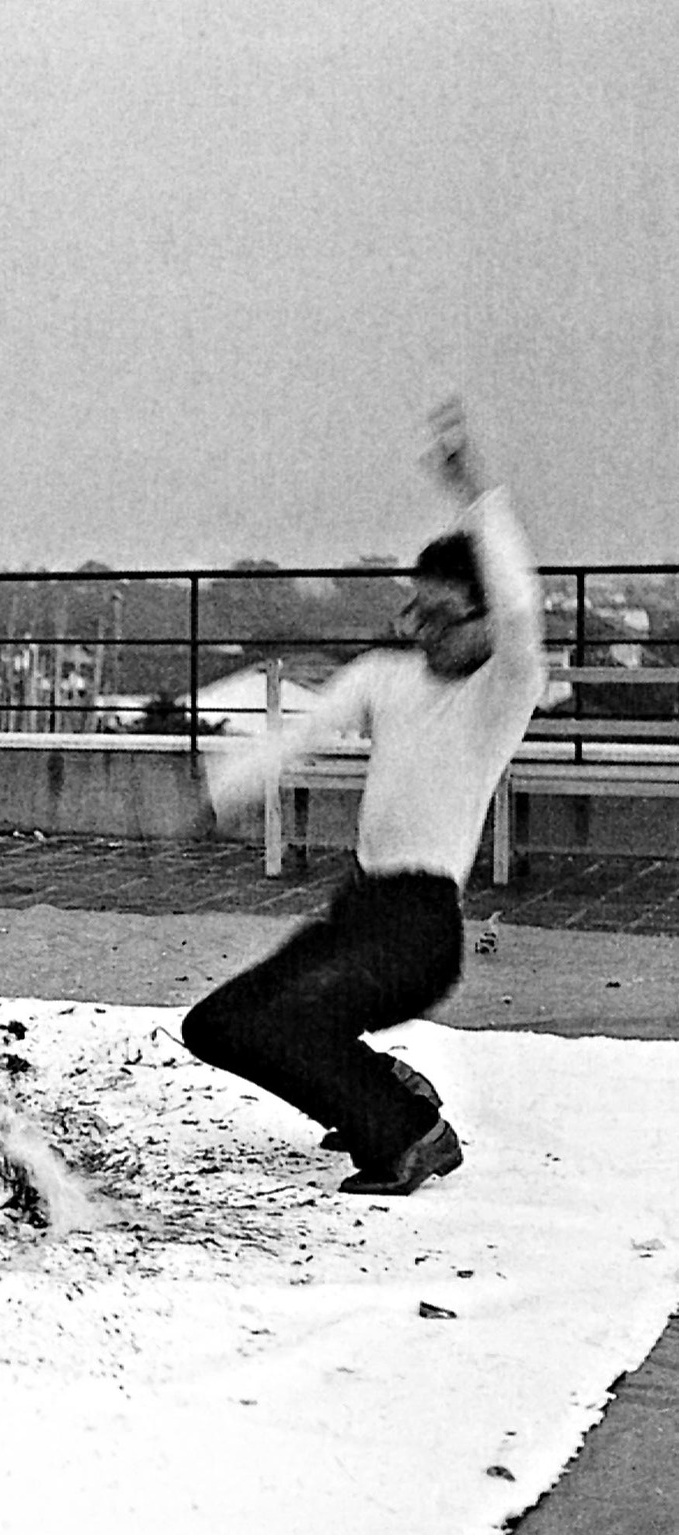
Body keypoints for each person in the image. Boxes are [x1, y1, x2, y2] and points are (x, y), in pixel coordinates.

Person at [180, 401, 548, 1195]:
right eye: (414, 606)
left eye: (442, 612)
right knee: (215, 1025)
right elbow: (304, 728)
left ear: (484, 620)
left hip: (420, 931)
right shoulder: (390, 675)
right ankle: (382, 1093)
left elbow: (522, 609)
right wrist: (222, 787)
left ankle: (410, 1135)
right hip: (357, 911)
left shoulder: (502, 689)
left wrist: (477, 492)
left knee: (294, 1020)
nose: (419, 627)